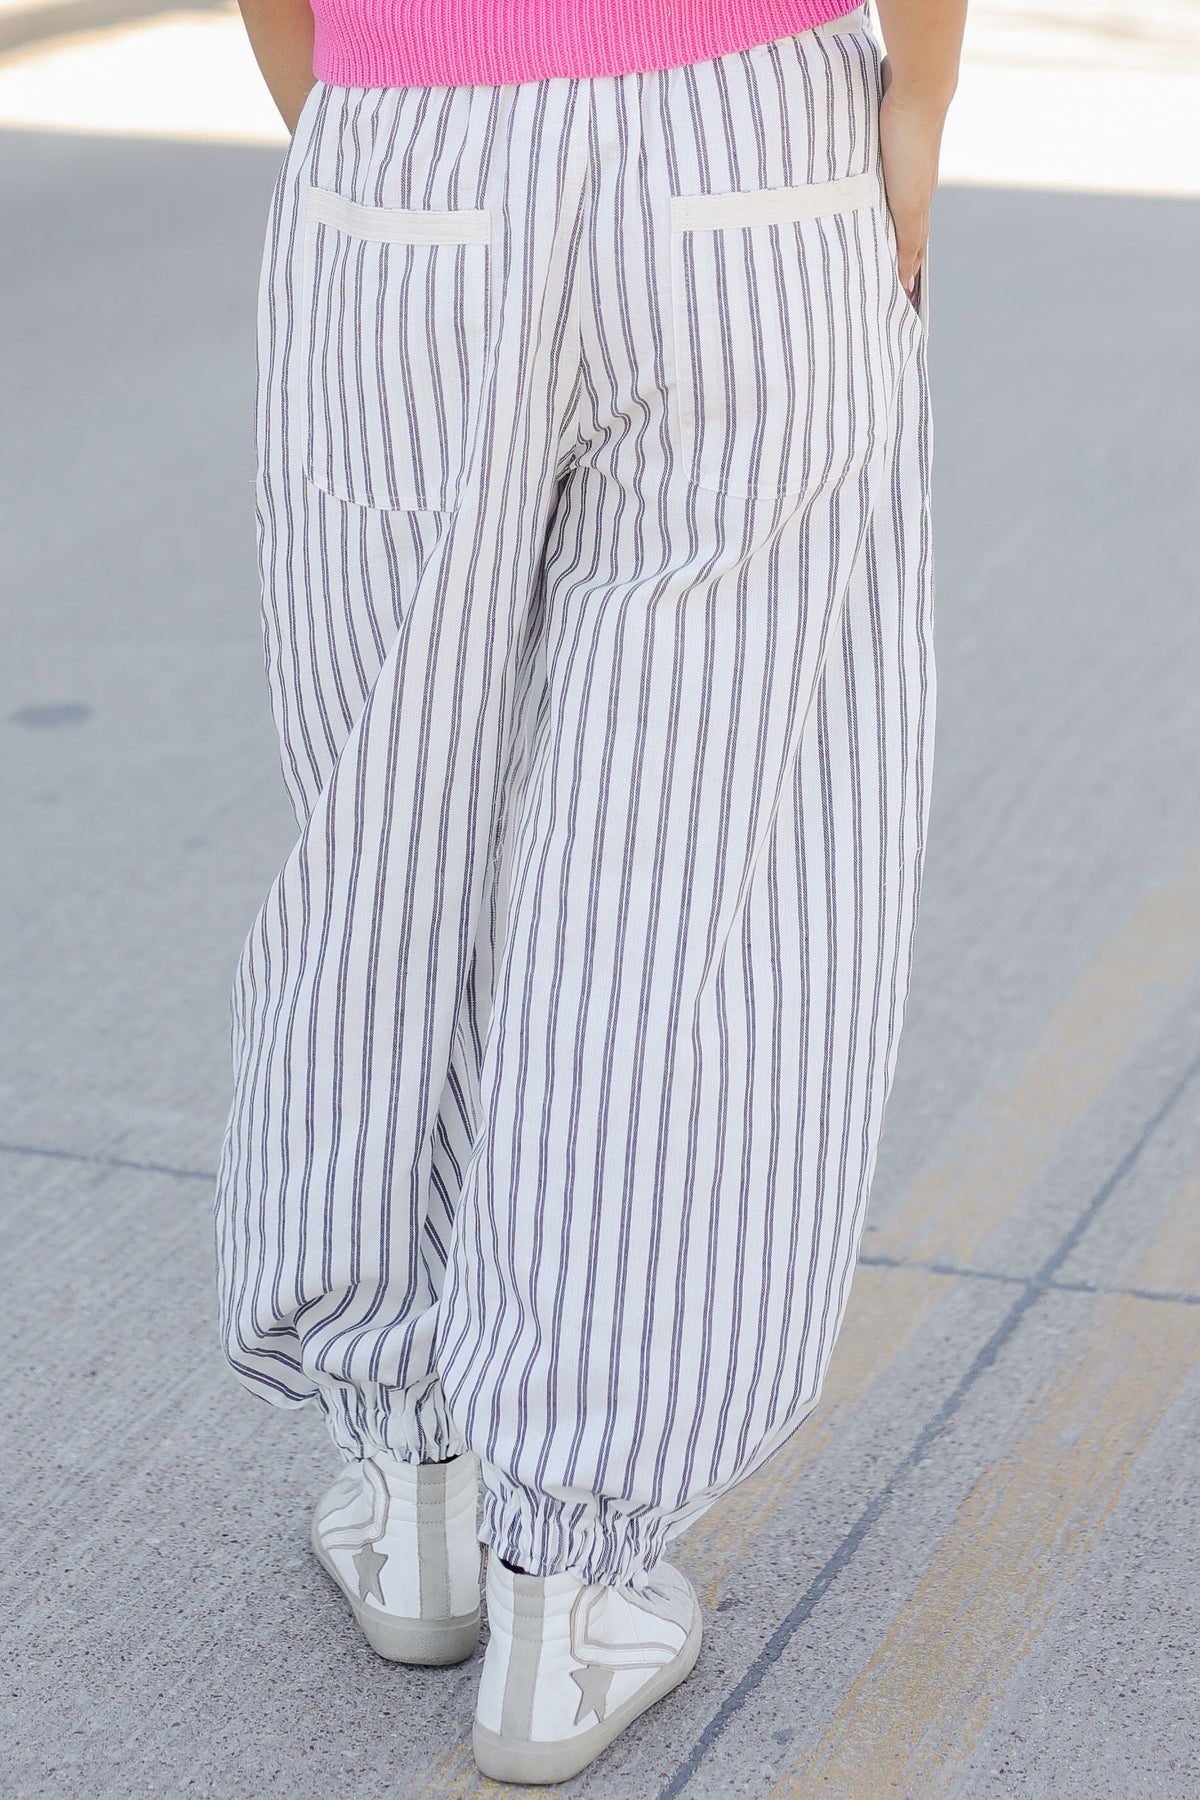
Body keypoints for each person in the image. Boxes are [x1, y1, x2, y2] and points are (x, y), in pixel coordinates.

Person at [217, 0, 964, 1782]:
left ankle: (407, 1483)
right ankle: (574, 1579)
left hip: (402, 149)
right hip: (747, 147)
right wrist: (919, 114)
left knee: (386, 839)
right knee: (683, 871)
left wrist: (360, 119)